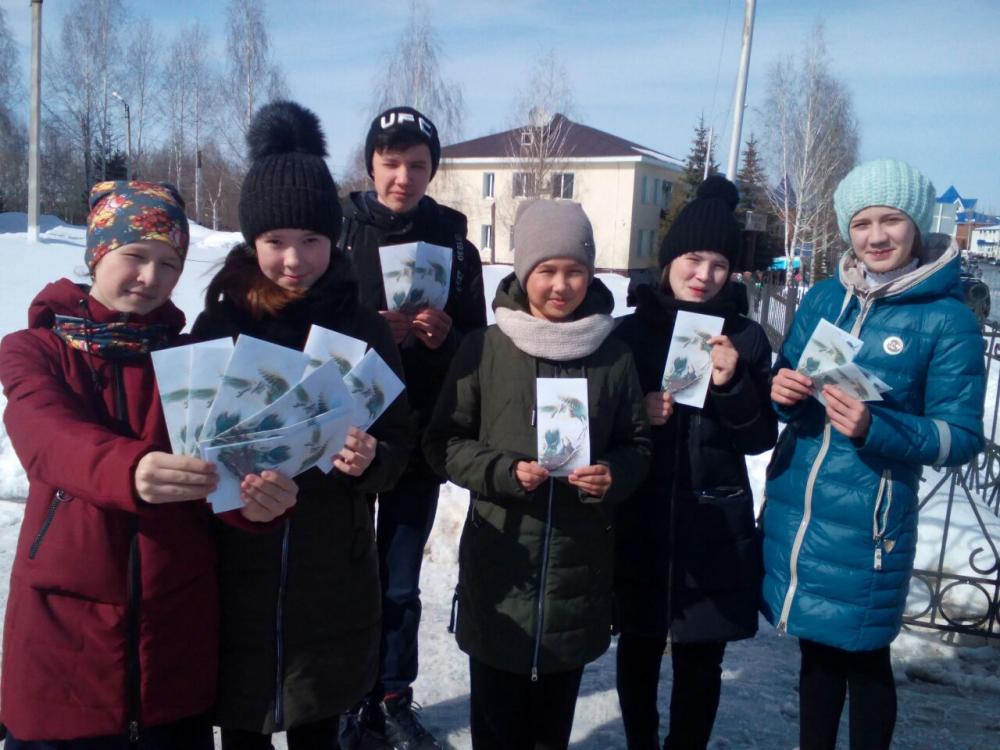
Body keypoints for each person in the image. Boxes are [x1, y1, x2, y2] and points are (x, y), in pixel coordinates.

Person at [0, 181, 297, 747]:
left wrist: (255, 504)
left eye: (169, 264)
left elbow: (224, 467)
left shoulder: (194, 361)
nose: (150, 277)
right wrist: (130, 470)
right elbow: (43, 433)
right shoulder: (35, 349)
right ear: (97, 254)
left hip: (175, 631)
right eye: (135, 256)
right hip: (67, 630)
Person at [191, 101, 412, 749]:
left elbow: (401, 441)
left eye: (312, 240)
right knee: (244, 728)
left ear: (333, 239)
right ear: (251, 241)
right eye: (276, 241)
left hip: (331, 576)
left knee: (320, 726)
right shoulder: (220, 326)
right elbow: (187, 444)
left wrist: (372, 458)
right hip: (237, 573)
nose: (294, 259)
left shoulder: (362, 328)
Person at [762, 158, 986, 750]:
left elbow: (960, 437)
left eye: (892, 220)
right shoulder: (824, 297)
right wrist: (783, 393)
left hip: (872, 519)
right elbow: (789, 382)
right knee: (815, 656)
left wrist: (874, 427)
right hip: (802, 512)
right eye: (862, 223)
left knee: (864, 657)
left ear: (916, 225)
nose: (877, 236)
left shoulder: (948, 320)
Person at [424, 199, 652, 750]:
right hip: (502, 569)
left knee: (551, 728)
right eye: (546, 270)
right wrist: (502, 471)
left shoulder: (614, 356)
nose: (560, 285)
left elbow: (638, 445)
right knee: (495, 726)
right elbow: (443, 443)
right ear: (523, 271)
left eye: (575, 270)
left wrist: (612, 475)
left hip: (577, 572)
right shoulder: (485, 348)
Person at [338, 105, 486, 750]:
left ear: (432, 170)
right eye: (391, 163)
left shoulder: (454, 244)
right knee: (343, 575)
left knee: (399, 581)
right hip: (343, 436)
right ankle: (345, 697)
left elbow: (479, 345)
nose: (403, 177)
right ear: (371, 165)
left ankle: (392, 696)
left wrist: (447, 335)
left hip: (418, 433)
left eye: (417, 165)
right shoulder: (336, 233)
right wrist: (367, 329)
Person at [613, 176, 777, 750]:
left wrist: (733, 384)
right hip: (641, 518)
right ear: (669, 261)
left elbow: (759, 439)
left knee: (701, 661)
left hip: (712, 524)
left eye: (719, 264)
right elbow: (599, 426)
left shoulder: (747, 338)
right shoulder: (629, 334)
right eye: (692, 259)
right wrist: (638, 414)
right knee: (637, 649)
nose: (704, 274)